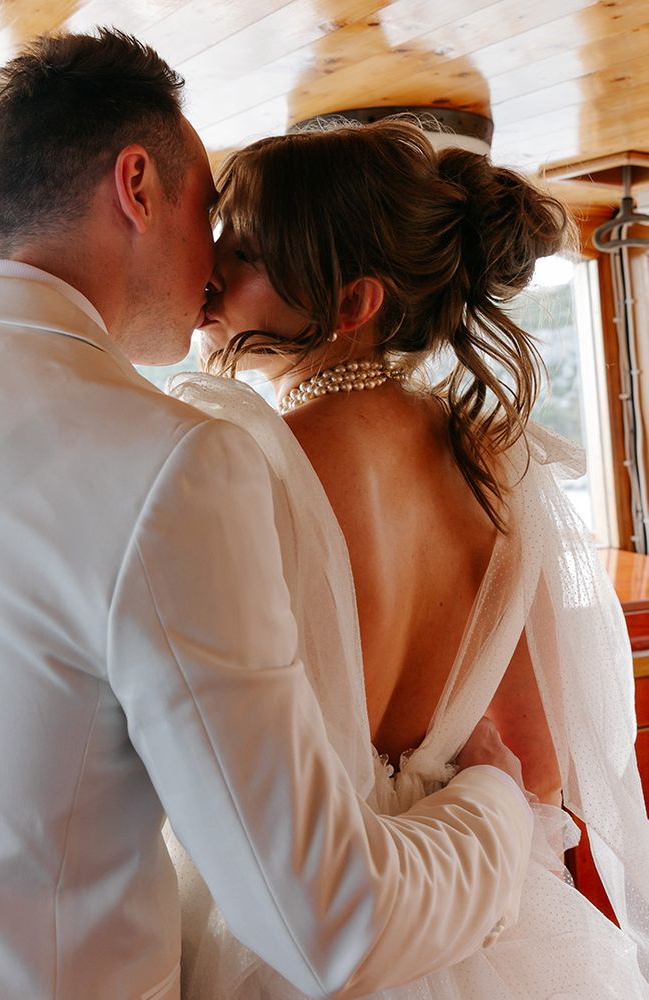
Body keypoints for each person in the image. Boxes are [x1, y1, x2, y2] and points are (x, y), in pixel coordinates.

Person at [0, 34, 534, 1000]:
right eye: (206, 208)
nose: (215, 262)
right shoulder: (173, 462)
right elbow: (328, 917)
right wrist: (497, 811)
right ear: (136, 186)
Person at [169, 118, 649, 997]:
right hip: (474, 913)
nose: (206, 275)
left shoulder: (244, 458)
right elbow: (539, 766)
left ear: (352, 303)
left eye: (241, 254)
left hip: (309, 908)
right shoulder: (498, 463)